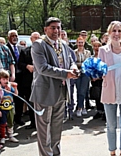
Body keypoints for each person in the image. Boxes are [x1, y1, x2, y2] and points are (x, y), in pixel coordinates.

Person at [29, 17, 79, 156]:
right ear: (45, 29)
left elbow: (70, 61)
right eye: (53, 27)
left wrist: (74, 69)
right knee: (44, 131)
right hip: (45, 93)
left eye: (58, 27)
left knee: (56, 129)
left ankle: (56, 153)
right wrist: (66, 73)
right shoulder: (39, 45)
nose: (56, 30)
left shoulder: (62, 44)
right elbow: (42, 68)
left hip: (62, 91)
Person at [98, 21, 121, 156]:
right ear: (109, 32)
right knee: (111, 125)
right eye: (114, 31)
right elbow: (100, 71)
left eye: (119, 31)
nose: (116, 34)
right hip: (110, 92)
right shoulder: (103, 50)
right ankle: (112, 151)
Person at [18, 32, 40, 129]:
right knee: (31, 102)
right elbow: (20, 64)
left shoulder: (44, 51)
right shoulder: (25, 51)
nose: (36, 39)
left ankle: (41, 123)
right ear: (31, 39)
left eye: (38, 37)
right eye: (35, 37)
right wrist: (27, 66)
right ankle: (33, 123)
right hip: (28, 81)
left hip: (41, 81)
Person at [6, 30, 25, 126]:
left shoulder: (21, 48)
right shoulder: (5, 48)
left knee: (20, 97)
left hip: (21, 77)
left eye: (16, 36)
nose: (14, 37)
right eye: (12, 36)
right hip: (10, 77)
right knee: (8, 97)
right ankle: (9, 120)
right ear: (8, 37)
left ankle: (18, 117)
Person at [0, 69, 19, 144]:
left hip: (10, 108)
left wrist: (15, 88)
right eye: (3, 79)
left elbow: (16, 94)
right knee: (3, 123)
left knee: (10, 122)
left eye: (7, 79)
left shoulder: (10, 87)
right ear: (0, 79)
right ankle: (3, 137)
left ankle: (11, 135)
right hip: (2, 108)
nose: (5, 81)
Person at [74, 36, 91, 117]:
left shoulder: (88, 52)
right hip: (77, 73)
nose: (80, 44)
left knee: (83, 91)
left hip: (85, 73)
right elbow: (73, 63)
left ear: (84, 43)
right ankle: (81, 106)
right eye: (79, 42)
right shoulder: (74, 52)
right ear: (77, 43)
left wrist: (80, 65)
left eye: (82, 42)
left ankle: (80, 108)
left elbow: (87, 63)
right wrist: (81, 65)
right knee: (78, 90)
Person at [90, 40, 105, 120]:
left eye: (98, 46)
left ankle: (104, 112)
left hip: (102, 79)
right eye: (95, 46)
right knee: (97, 95)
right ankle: (99, 111)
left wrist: (99, 76)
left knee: (103, 95)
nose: (96, 48)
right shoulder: (92, 57)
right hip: (94, 79)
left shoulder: (103, 57)